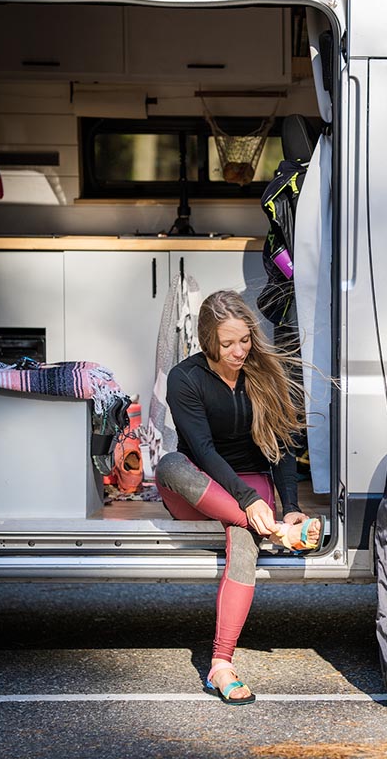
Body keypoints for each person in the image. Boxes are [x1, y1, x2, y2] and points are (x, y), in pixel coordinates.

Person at [154, 289, 322, 706]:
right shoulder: (185, 377)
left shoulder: (263, 372)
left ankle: (221, 665)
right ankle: (276, 533)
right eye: (227, 343)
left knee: (243, 544)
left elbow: (282, 445)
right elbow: (204, 450)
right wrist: (249, 502)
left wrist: (292, 507)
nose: (238, 350)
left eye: (244, 340)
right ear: (207, 341)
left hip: (254, 495)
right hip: (200, 487)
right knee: (170, 464)